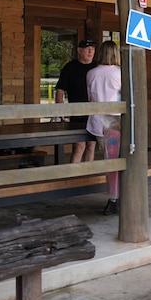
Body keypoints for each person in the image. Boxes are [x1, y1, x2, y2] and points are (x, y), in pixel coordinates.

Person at [86, 40, 122, 215]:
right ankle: (115, 198)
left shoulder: (91, 73)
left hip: (95, 122)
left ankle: (114, 197)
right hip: (114, 123)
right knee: (116, 161)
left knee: (109, 160)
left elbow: (90, 98)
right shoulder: (119, 74)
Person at [54, 38, 97, 163]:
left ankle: (87, 175)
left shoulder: (96, 67)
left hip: (94, 113)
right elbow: (60, 90)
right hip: (77, 114)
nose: (90, 52)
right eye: (87, 49)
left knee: (91, 146)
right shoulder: (70, 68)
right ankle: (73, 177)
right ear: (79, 51)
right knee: (79, 147)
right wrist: (60, 111)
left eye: (93, 50)